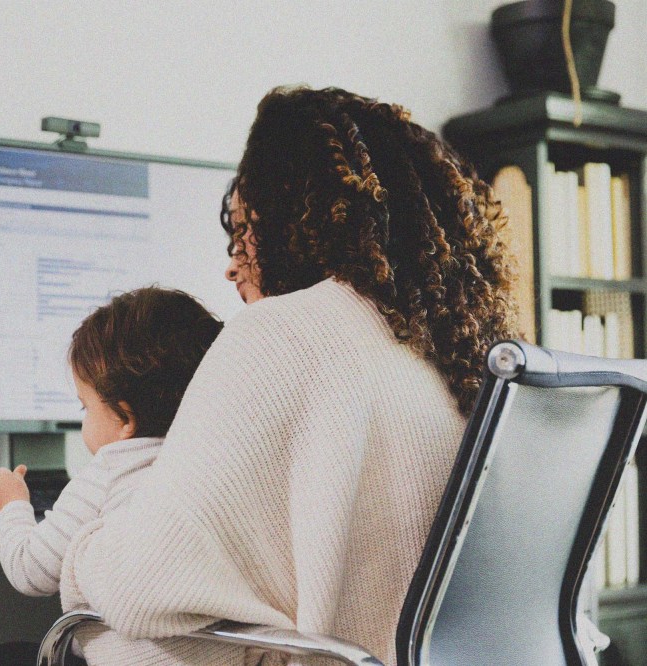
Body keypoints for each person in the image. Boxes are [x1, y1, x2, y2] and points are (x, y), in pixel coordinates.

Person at [58, 85, 518, 666]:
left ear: (295, 223)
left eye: (246, 230)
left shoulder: (284, 333)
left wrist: (81, 545)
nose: (234, 264)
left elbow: (140, 584)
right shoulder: (460, 352)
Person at [0, 286, 225, 666]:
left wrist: (11, 505)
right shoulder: (219, 463)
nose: (84, 420)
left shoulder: (112, 470)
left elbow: (32, 570)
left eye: (85, 407)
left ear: (124, 419)